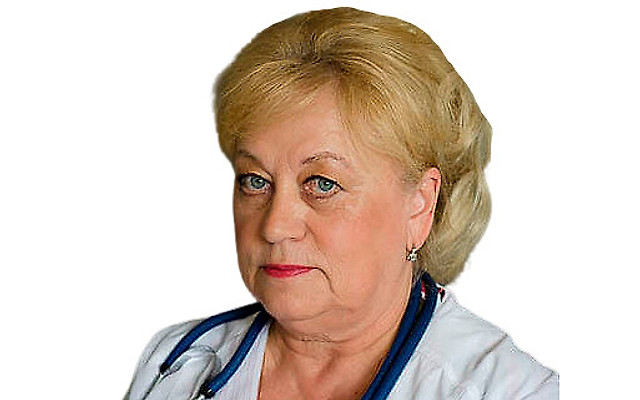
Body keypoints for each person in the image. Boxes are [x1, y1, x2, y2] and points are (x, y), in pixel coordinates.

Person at [124, 7, 558, 400]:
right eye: (256, 181)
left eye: (322, 184)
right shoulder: (179, 363)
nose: (275, 226)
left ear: (420, 205)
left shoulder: (510, 391)